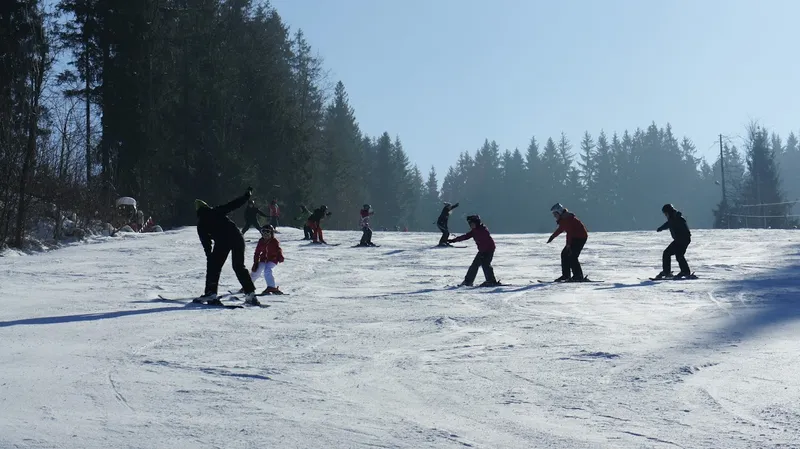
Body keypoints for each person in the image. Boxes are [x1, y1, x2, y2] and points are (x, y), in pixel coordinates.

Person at [196, 188, 258, 305]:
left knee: (214, 267)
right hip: (237, 237)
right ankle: (250, 294)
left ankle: (211, 293)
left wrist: (210, 258)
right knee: (239, 266)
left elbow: (206, 244)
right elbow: (232, 205)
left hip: (223, 241)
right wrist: (246, 197)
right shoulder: (216, 211)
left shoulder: (201, 224)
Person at [448, 215, 499, 287]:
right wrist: (454, 240)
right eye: (470, 224)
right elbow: (466, 236)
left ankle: (491, 281)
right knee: (474, 266)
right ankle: (468, 282)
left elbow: (486, 242)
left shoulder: (483, 230)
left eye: (472, 224)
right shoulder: (475, 230)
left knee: (485, 264)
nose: (471, 225)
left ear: (477, 223)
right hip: (482, 250)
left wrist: (483, 253)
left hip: (488, 250)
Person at [547, 203, 589, 282]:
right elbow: (561, 229)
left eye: (555, 214)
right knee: (565, 254)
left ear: (559, 212)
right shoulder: (564, 219)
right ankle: (566, 275)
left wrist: (568, 245)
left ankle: (578, 276)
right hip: (575, 237)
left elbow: (569, 234)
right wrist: (552, 237)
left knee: (572, 256)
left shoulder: (567, 219)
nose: (554, 216)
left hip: (580, 237)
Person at [656, 203, 693, 279]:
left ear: (668, 212)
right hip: (680, 240)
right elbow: (668, 224)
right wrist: (661, 228)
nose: (665, 215)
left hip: (682, 240)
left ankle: (679, 272)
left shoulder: (677, 218)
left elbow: (685, 231)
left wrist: (681, 240)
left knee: (670, 254)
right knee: (676, 255)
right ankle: (680, 271)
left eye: (665, 213)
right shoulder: (673, 218)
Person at [251, 224, 285, 294]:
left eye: (267, 232)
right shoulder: (261, 241)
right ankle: (248, 285)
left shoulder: (274, 241)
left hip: (273, 259)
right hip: (263, 259)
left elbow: (278, 249)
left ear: (271, 233)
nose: (265, 234)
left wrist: (280, 256)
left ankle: (271, 287)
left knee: (267, 270)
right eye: (263, 232)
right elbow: (257, 253)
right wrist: (255, 263)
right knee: (256, 270)